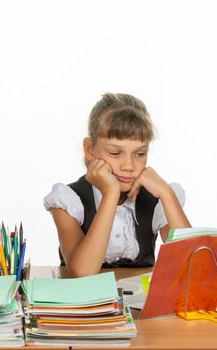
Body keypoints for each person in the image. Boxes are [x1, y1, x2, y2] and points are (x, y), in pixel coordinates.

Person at [44, 93, 191, 277]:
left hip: (139, 305)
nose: (128, 166)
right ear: (89, 150)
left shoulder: (156, 199)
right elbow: (83, 271)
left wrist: (166, 193)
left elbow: (191, 263)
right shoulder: (68, 200)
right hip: (84, 303)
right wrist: (110, 194)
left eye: (139, 154)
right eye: (115, 153)